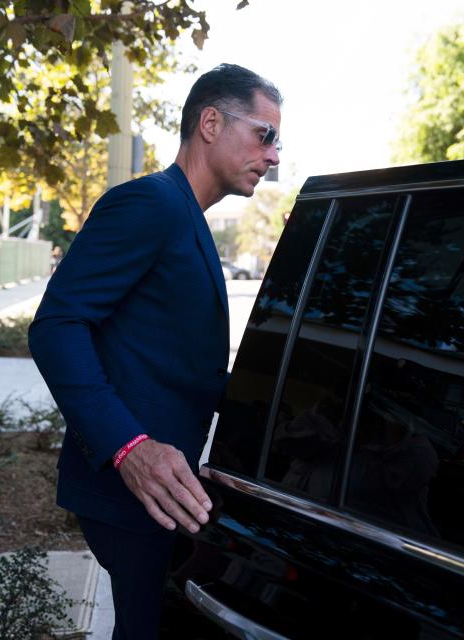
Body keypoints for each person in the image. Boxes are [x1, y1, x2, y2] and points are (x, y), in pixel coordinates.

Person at [28, 63, 281, 639]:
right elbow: (57, 326)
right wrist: (129, 448)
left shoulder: (186, 219)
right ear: (210, 122)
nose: (272, 156)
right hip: (135, 488)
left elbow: (176, 362)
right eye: (264, 135)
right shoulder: (151, 204)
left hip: (169, 490)